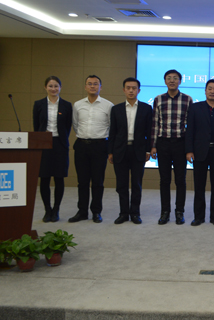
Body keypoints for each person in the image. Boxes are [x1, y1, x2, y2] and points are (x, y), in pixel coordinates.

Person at [150, 69, 193, 225]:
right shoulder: (158, 99)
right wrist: (153, 146)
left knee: (180, 180)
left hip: (180, 144)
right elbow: (155, 124)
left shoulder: (187, 99)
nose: (172, 80)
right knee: (164, 180)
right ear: (165, 81)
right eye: (169, 78)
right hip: (163, 144)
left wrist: (189, 148)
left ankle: (179, 212)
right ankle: (165, 212)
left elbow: (190, 125)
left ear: (180, 81)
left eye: (175, 78)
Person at [69, 75, 113, 223]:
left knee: (98, 182)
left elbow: (111, 127)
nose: (92, 86)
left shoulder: (108, 105)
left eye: (95, 84)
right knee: (82, 181)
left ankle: (96, 212)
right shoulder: (77, 105)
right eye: (90, 84)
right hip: (81, 145)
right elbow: (75, 125)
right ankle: (82, 211)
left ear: (100, 87)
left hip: (100, 146)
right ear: (85, 86)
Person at [107, 77, 152, 225]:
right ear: (124, 90)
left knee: (136, 184)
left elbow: (149, 131)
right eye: (128, 88)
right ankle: (123, 213)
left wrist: (148, 150)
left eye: (134, 88)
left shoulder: (146, 108)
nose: (131, 90)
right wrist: (110, 152)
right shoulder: (116, 109)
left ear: (139, 90)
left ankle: (135, 213)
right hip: (120, 150)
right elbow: (112, 132)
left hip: (138, 150)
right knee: (122, 184)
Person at [185, 79, 214, 227]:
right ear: (205, 91)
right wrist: (189, 150)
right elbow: (190, 130)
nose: (212, 91)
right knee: (199, 186)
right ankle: (199, 217)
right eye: (209, 88)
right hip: (199, 152)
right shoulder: (195, 108)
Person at [33, 76, 72, 223]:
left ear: (60, 87)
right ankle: (47, 210)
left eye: (56, 86)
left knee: (59, 177)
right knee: (44, 178)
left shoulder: (66, 105)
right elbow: (36, 125)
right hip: (44, 143)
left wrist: (61, 139)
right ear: (45, 87)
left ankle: (56, 210)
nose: (53, 89)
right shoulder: (38, 104)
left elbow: (67, 126)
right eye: (50, 86)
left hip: (60, 144)